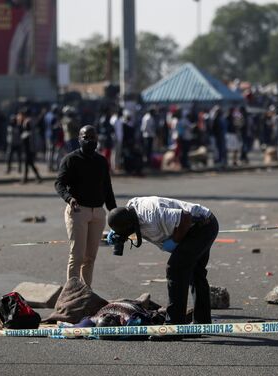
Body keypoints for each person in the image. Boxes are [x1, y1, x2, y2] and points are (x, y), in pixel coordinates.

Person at [106, 196, 218, 340]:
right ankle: (201, 324)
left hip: (202, 226)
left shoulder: (151, 215)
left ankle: (173, 327)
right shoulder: (130, 210)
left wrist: (174, 241)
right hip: (199, 224)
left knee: (175, 269)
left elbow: (186, 216)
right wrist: (117, 231)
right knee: (195, 274)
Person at [55, 125, 117, 285]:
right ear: (79, 139)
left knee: (90, 258)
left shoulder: (101, 161)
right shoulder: (70, 160)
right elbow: (59, 183)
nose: (90, 140)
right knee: (77, 256)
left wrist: (115, 212)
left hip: (97, 213)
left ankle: (87, 293)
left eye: (93, 137)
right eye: (86, 137)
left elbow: (107, 188)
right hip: (78, 211)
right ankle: (72, 295)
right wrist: (69, 198)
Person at [20, 108, 42, 184]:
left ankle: (27, 178)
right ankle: (31, 178)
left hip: (28, 146)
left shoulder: (27, 121)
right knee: (29, 163)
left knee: (28, 163)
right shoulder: (30, 121)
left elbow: (28, 134)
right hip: (29, 146)